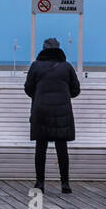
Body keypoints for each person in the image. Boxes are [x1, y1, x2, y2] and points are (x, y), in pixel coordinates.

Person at [25, 37, 80, 194]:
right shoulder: (66, 67)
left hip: (41, 110)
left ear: (43, 50)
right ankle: (65, 184)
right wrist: (62, 95)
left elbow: (28, 89)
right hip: (62, 112)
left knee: (40, 148)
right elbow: (76, 90)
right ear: (58, 49)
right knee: (61, 148)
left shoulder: (36, 66)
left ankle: (40, 182)